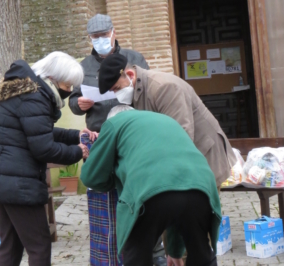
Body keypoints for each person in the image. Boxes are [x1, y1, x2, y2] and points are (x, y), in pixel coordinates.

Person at [0, 52, 96, 266]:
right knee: (40, 247)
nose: (69, 92)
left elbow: (40, 130)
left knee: (9, 246)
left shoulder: (22, 92)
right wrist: (78, 151)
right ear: (53, 80)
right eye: (68, 87)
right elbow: (43, 148)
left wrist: (76, 134)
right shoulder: (35, 98)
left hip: (1, 181)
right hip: (18, 185)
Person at [81, 106, 223, 266]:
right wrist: (174, 251)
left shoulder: (114, 123)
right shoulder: (165, 120)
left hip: (147, 191)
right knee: (202, 263)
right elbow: (175, 190)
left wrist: (115, 178)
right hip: (200, 186)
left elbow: (90, 177)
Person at [67, 14, 170, 266]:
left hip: (133, 135)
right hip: (100, 137)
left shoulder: (134, 58)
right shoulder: (83, 67)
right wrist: (78, 105)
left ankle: (156, 247)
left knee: (142, 192)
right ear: (89, 38)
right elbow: (72, 100)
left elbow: (147, 90)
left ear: (113, 32)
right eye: (95, 37)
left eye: (104, 35)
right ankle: (114, 251)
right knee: (107, 196)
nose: (100, 40)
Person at [98, 53, 236, 187]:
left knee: (202, 206)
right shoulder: (136, 89)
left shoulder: (164, 88)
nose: (117, 94)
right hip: (181, 158)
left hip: (203, 154)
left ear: (130, 75)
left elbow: (181, 134)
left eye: (117, 88)